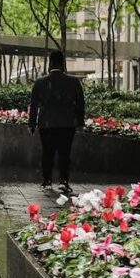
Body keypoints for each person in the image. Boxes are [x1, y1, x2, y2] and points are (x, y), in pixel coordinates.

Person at [28, 50, 85, 195]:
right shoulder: (73, 82)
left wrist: (32, 124)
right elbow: (80, 103)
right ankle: (64, 181)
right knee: (65, 153)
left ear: (50, 63)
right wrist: (80, 122)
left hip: (46, 124)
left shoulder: (40, 82)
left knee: (48, 152)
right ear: (63, 63)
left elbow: (34, 104)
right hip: (67, 124)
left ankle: (47, 180)